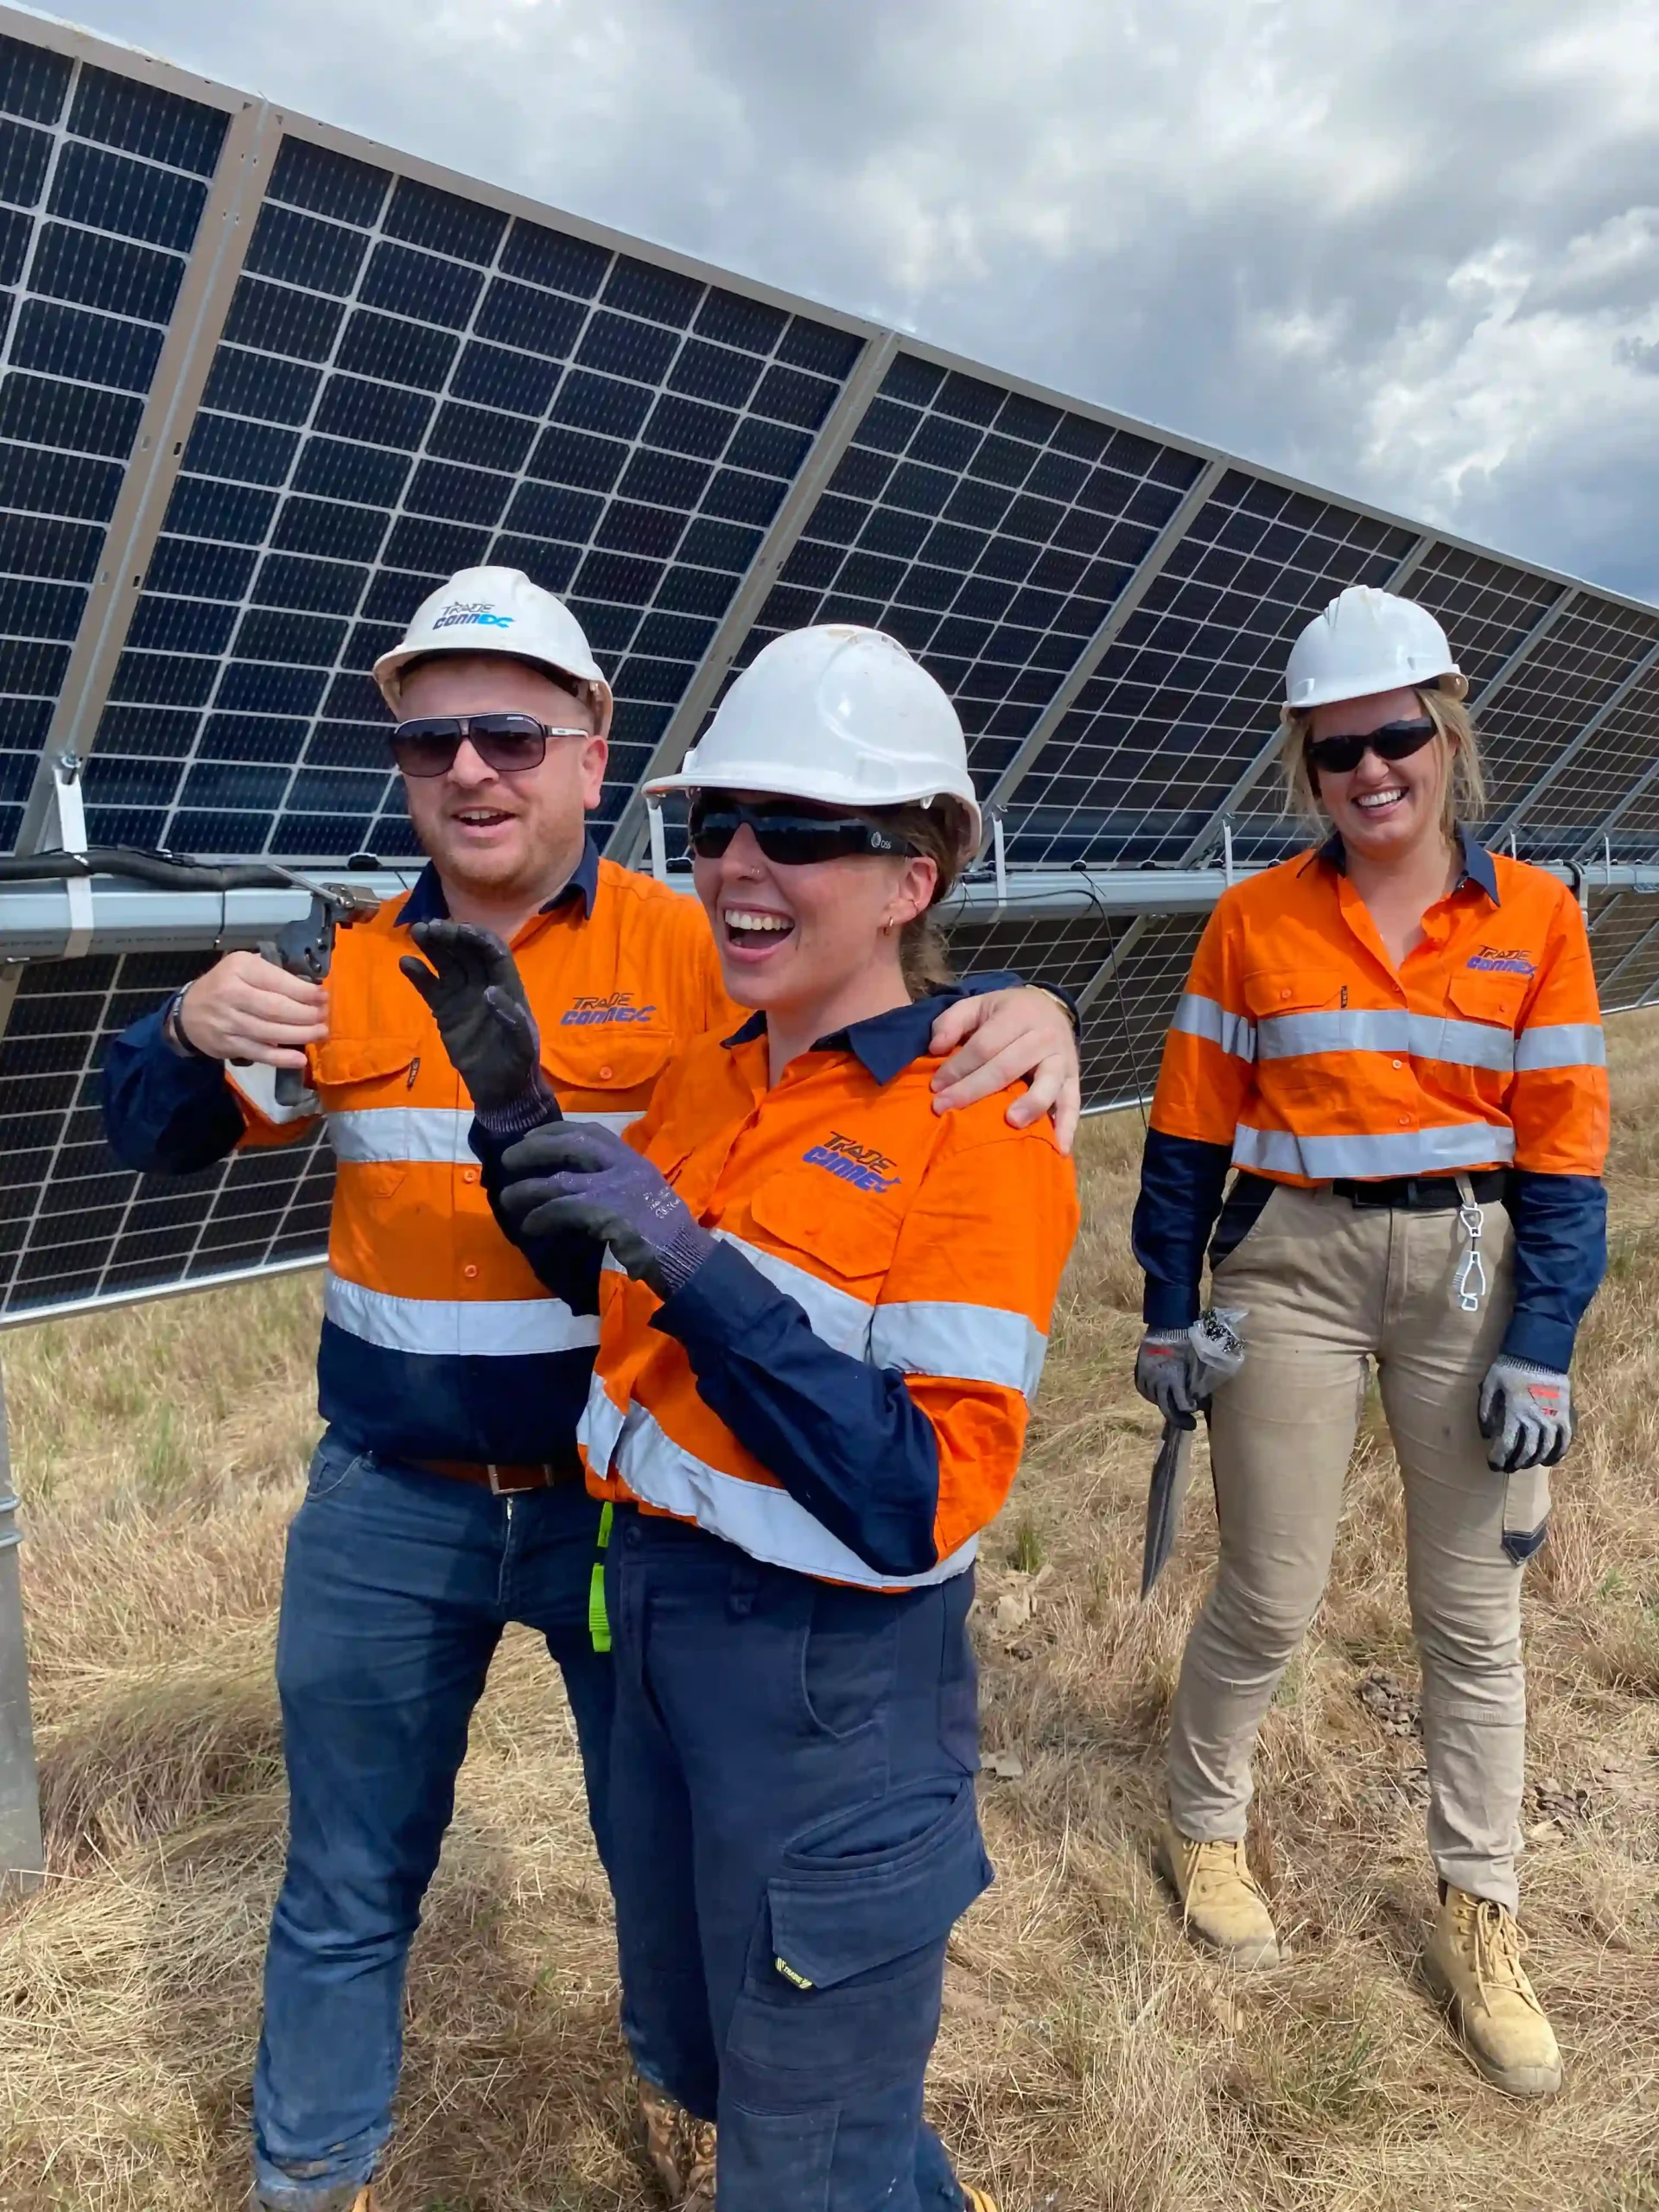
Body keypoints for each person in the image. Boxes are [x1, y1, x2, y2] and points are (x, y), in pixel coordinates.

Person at [99, 571, 1084, 2212]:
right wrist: (184, 1027)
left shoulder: (701, 954)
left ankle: (752, 2125)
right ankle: (310, 2174)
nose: (468, 772)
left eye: (507, 733)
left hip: (616, 1517)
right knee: (348, 1876)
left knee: (684, 1883)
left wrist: (1022, 1001)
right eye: (430, 743)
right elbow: (151, 1135)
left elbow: (870, 1029)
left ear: (588, 754)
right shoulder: (357, 966)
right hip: (395, 1503)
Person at [416, 623, 1079, 2212]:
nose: (737, 867)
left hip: (829, 1687)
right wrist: (516, 1119)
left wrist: (698, 1269)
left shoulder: (984, 1123)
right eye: (715, 826)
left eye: (798, 830)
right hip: (649, 1616)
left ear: (913, 877)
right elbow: (614, 1302)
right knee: (722, 2062)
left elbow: (916, 1496)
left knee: (801, 2156)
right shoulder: (718, 1074)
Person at [1132, 585, 1608, 2097]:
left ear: (1448, 734)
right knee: (1269, 1595)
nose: (1374, 773)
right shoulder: (1251, 920)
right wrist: (1163, 1308)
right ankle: (1205, 1830)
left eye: (1399, 738)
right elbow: (1187, 1139)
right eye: (1340, 754)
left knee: (1472, 1619)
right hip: (1294, 1268)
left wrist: (1545, 1340)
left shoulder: (1539, 917)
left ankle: (1482, 1911)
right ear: (1308, 769)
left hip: (1472, 1266)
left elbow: (1568, 1154)